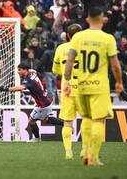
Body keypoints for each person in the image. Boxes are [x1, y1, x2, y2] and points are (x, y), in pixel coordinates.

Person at [64, 7, 123, 166]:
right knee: (98, 120)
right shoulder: (108, 39)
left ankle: (85, 150)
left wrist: (67, 81)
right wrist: (119, 82)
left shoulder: (78, 38)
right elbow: (115, 65)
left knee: (86, 118)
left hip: (81, 85)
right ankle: (93, 157)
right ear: (102, 19)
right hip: (99, 86)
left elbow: (69, 61)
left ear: (88, 19)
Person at [0, 63, 63, 142]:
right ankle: (65, 125)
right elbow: (33, 71)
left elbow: (21, 88)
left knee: (31, 121)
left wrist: (6, 89)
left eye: (19, 70)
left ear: (25, 70)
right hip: (45, 101)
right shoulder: (32, 74)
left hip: (42, 104)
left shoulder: (29, 80)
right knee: (47, 119)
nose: (18, 72)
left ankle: (37, 138)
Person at [52, 23, 82, 160]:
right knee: (89, 120)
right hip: (84, 87)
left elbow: (55, 70)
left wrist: (65, 73)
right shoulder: (86, 48)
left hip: (67, 87)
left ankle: (68, 151)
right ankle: (85, 150)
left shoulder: (61, 48)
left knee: (67, 122)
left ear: (67, 35)